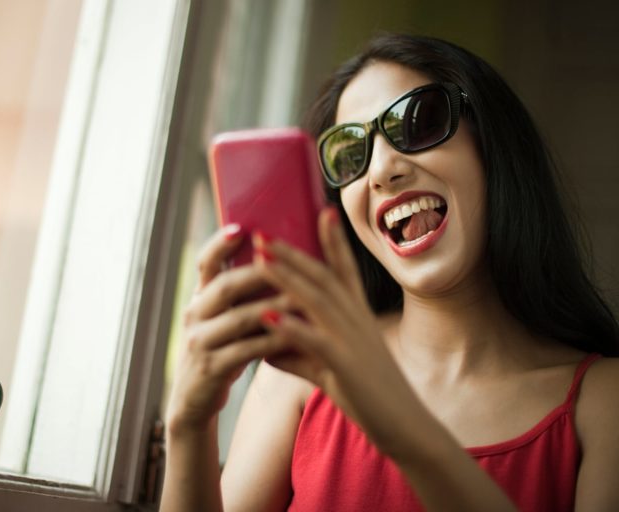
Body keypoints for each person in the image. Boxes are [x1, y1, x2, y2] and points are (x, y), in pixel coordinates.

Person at [160, 33, 619, 512]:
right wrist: (188, 428)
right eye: (349, 153)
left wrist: (398, 424)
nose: (381, 170)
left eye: (417, 123)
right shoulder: (298, 378)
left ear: (493, 143)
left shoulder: (605, 403)